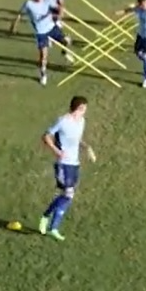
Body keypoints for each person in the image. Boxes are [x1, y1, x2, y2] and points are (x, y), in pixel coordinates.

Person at [38, 95, 96, 241]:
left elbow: (77, 139)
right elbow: (46, 136)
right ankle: (51, 225)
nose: (85, 112)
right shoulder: (63, 121)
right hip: (63, 164)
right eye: (84, 109)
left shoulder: (82, 121)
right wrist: (56, 151)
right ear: (78, 108)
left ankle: (47, 218)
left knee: (67, 196)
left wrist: (87, 148)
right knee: (68, 194)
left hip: (74, 163)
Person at [8, 0, 63, 85]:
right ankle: (43, 75)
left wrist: (58, 16)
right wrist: (13, 26)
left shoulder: (47, 1)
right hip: (41, 33)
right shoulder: (28, 4)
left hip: (51, 28)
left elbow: (59, 9)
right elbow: (19, 15)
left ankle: (65, 52)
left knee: (67, 41)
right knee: (43, 56)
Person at [116, 0, 146, 88]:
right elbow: (129, 10)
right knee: (138, 53)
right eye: (141, 5)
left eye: (143, 4)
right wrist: (120, 12)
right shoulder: (139, 9)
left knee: (145, 55)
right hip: (140, 35)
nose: (142, 7)